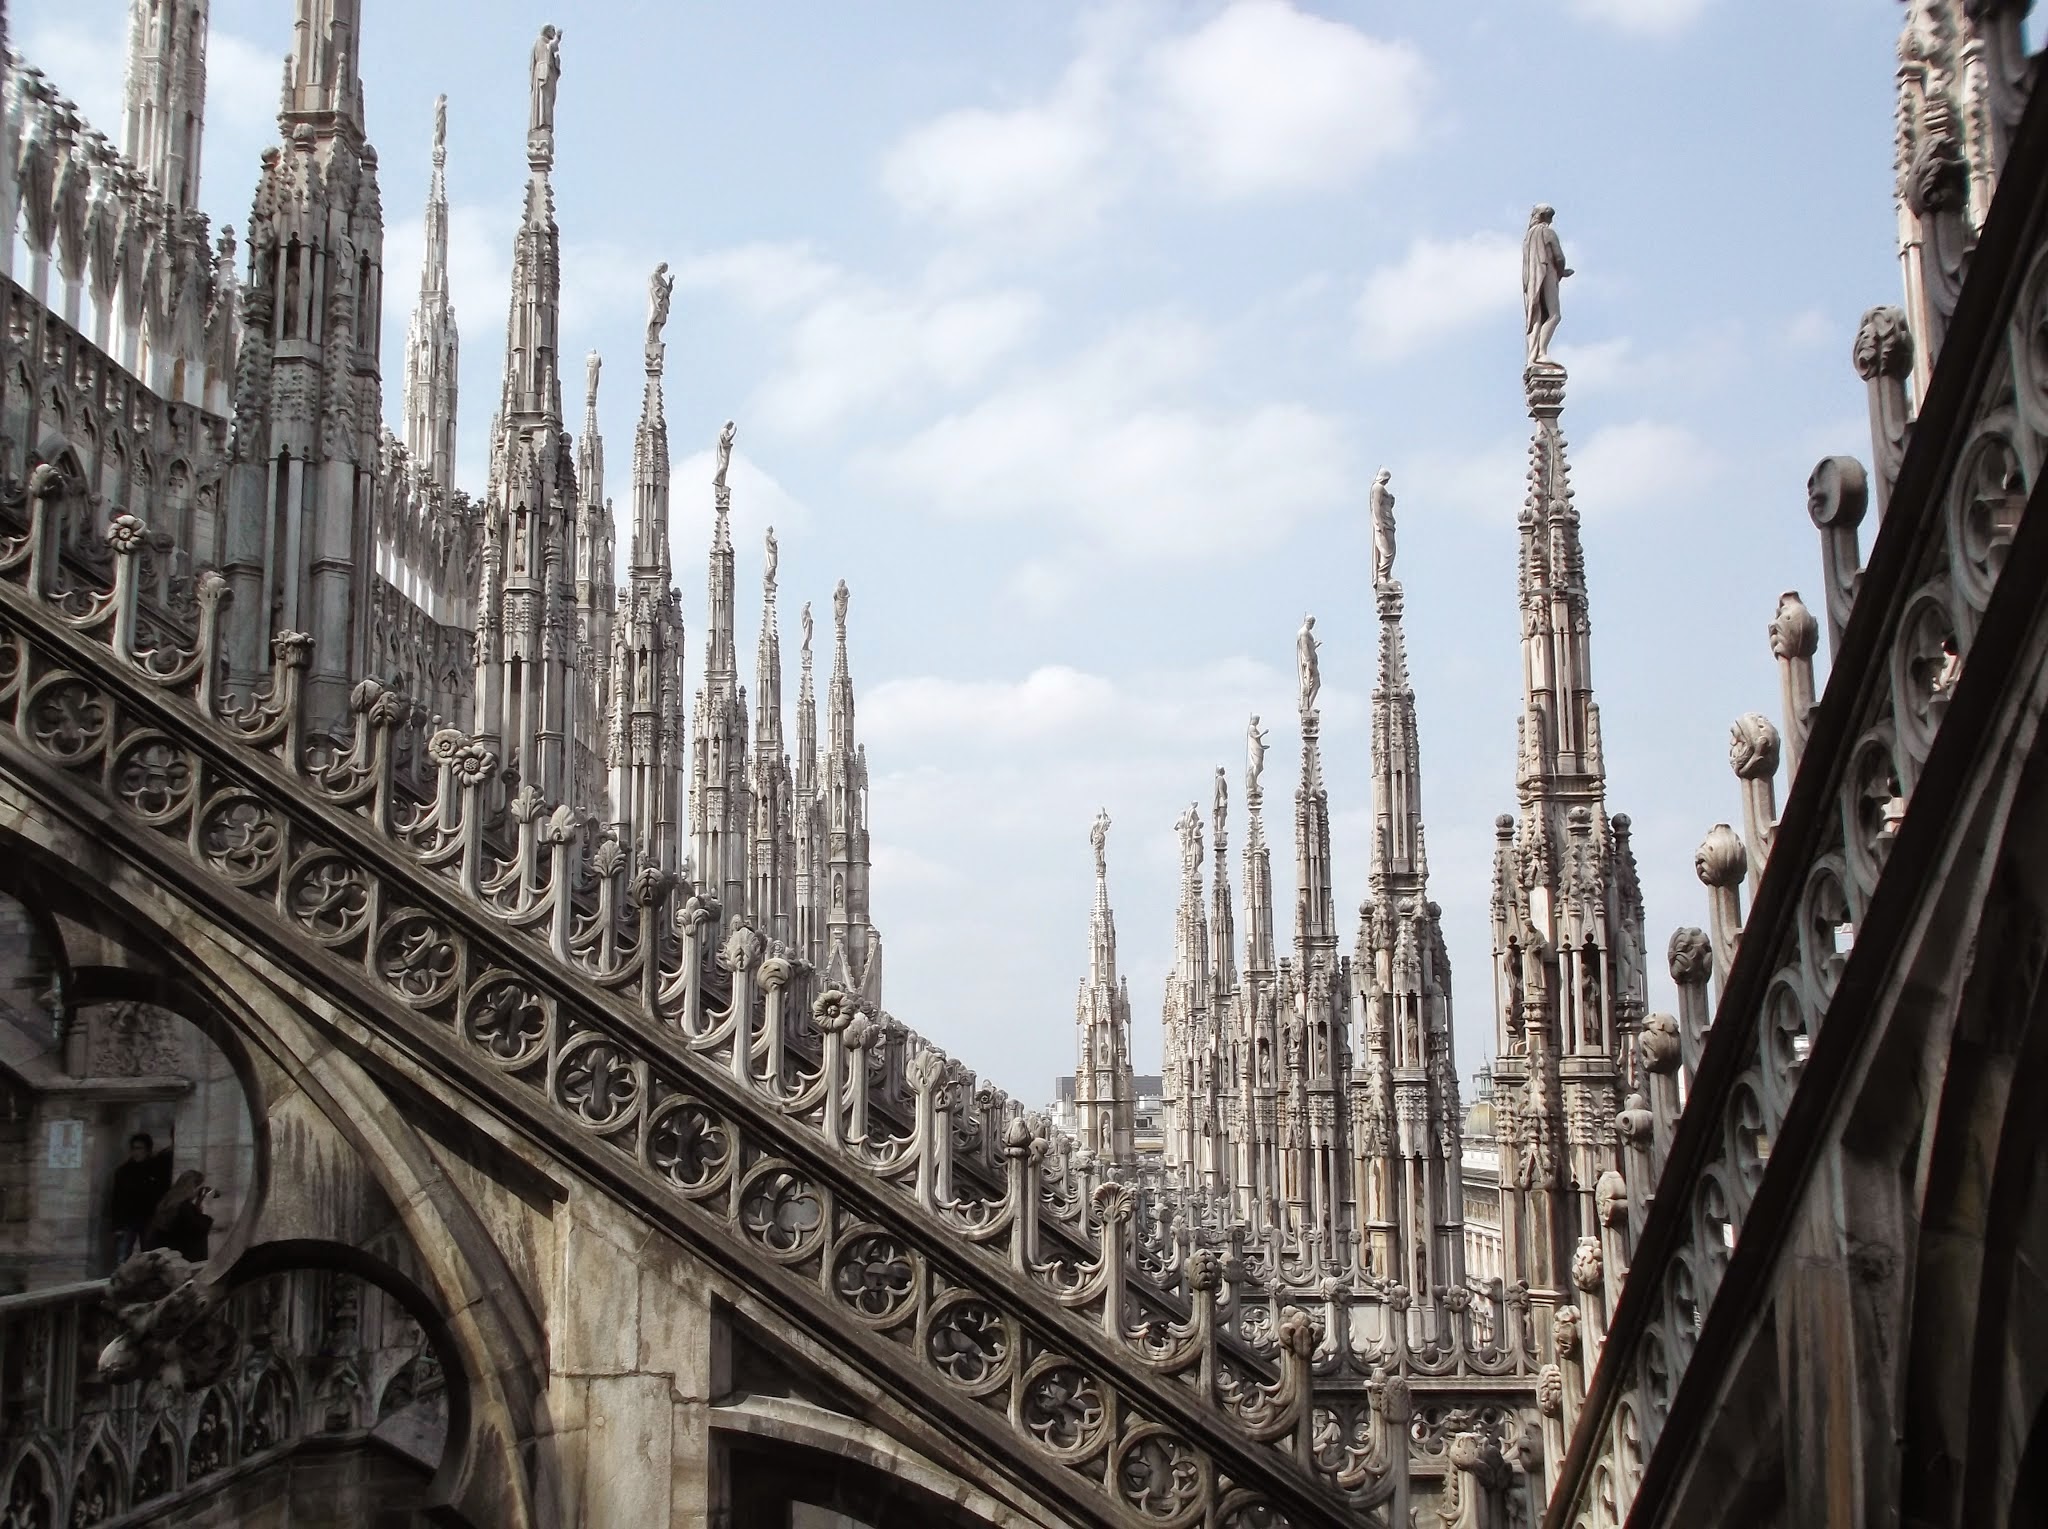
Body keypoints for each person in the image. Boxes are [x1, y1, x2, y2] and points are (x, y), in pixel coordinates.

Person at [110, 1129, 173, 1265]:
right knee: (122, 1257)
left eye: (139, 1148)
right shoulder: (124, 1171)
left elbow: (163, 1194)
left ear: (148, 1150)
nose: (136, 1152)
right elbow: (117, 1199)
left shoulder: (157, 1169)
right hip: (128, 1220)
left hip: (149, 1218)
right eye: (133, 1148)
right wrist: (117, 1225)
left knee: (150, 1256)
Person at [144, 1169, 216, 1265]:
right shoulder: (184, 1207)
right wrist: (206, 1206)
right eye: (201, 1188)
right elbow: (199, 1230)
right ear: (194, 1188)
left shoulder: (169, 1200)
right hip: (183, 1259)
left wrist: (198, 1205)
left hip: (166, 1254)